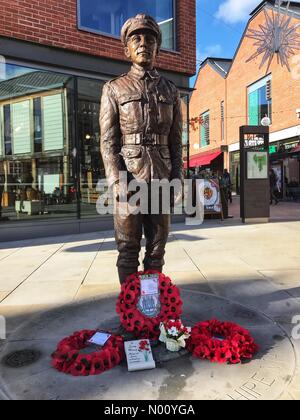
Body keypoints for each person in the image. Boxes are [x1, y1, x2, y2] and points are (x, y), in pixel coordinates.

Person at [100, 14, 183, 285]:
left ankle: (152, 308)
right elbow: (108, 141)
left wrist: (177, 177)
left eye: (150, 38)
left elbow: (176, 141)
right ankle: (129, 310)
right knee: (127, 250)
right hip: (129, 178)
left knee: (157, 250)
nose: (143, 43)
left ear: (158, 47)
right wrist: (115, 180)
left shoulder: (171, 91)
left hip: (160, 175)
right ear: (126, 48)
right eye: (136, 38)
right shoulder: (114, 89)